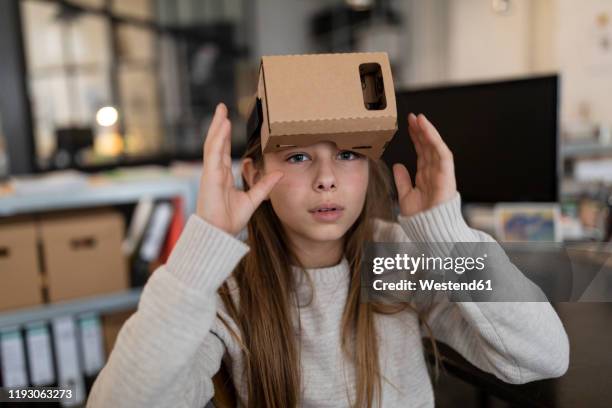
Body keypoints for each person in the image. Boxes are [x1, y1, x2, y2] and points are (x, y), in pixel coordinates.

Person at [87, 103, 569, 408]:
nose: (326, 178)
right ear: (253, 174)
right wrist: (203, 246)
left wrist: (447, 237)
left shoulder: (394, 261)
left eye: (348, 154)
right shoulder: (225, 289)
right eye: (298, 157)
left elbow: (543, 357)